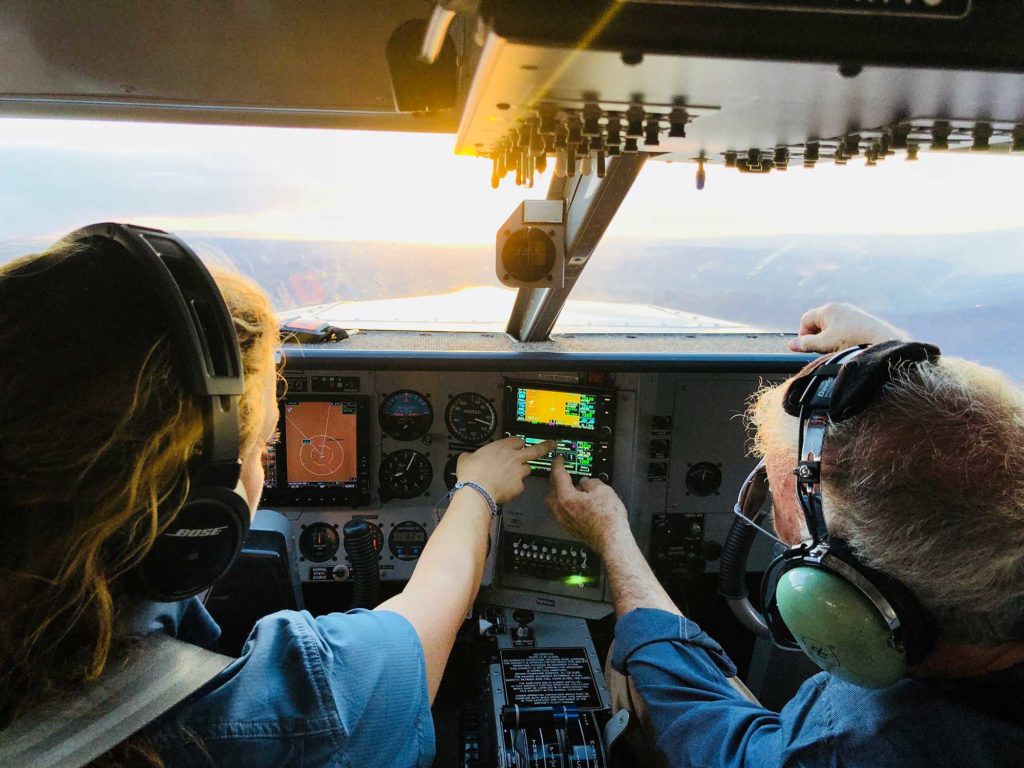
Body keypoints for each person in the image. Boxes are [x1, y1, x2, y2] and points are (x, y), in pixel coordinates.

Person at [0, 229, 554, 768]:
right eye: (265, 446)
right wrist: (478, 488)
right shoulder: (271, 717)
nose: (265, 466)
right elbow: (421, 626)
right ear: (200, 512)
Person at [548, 302, 1024, 767]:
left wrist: (612, 537)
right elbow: (971, 463)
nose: (775, 523)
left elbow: (714, 741)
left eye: (778, 508)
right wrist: (892, 364)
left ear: (843, 593)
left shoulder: (866, 742)